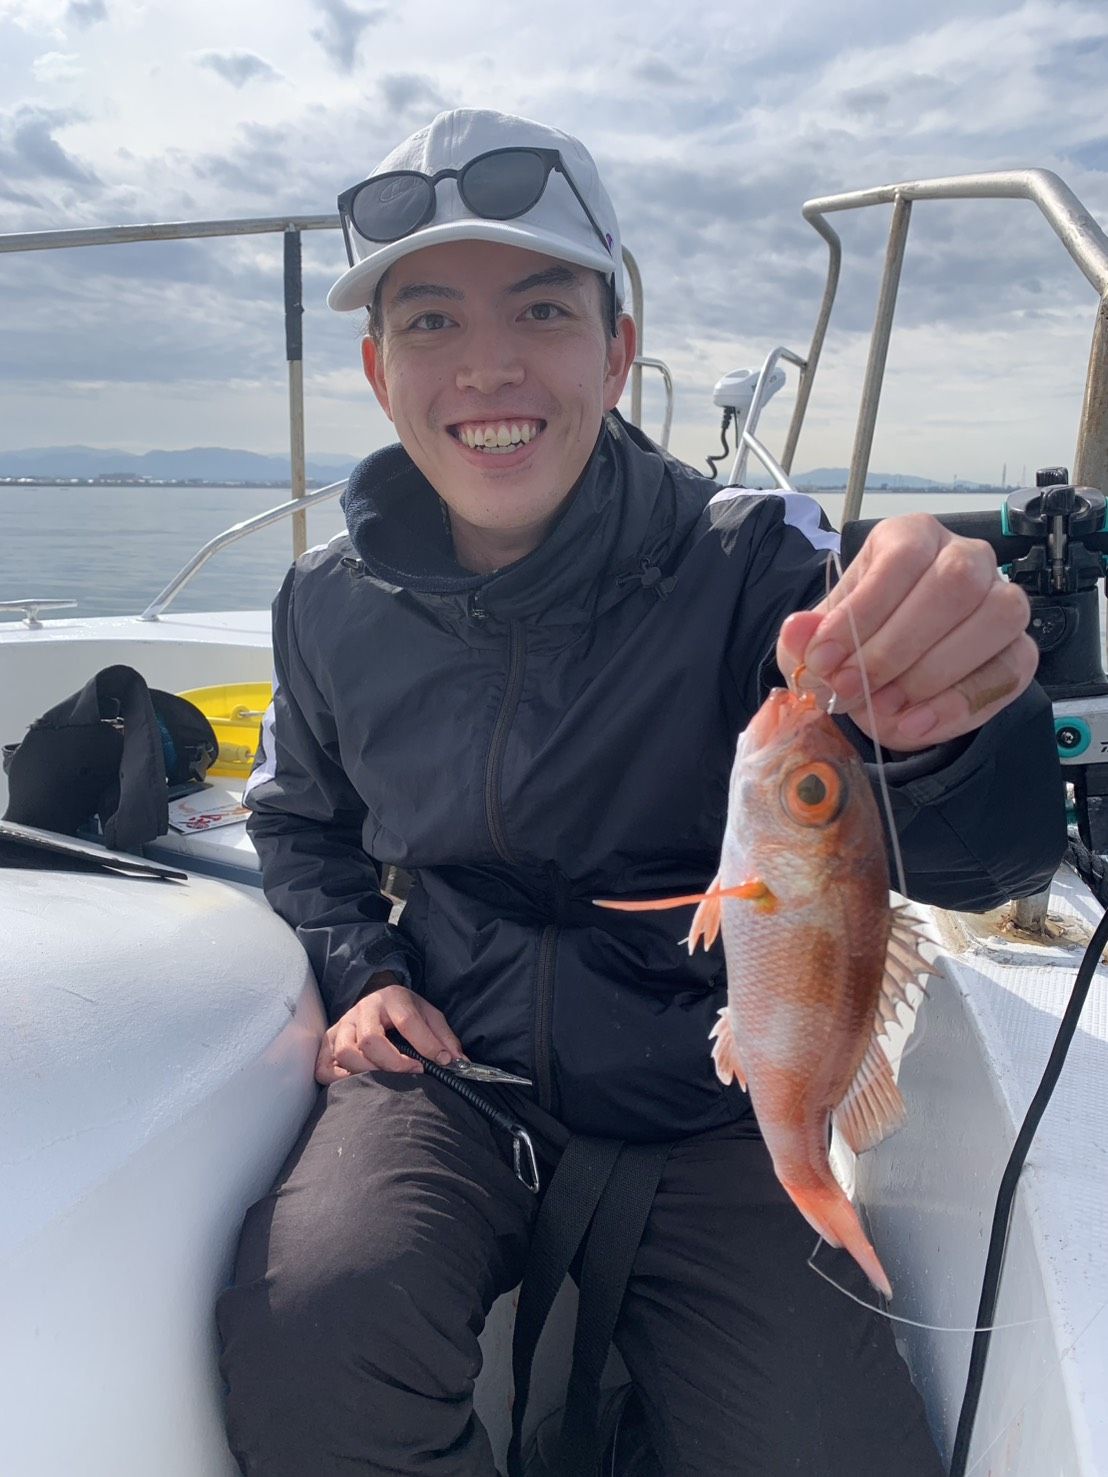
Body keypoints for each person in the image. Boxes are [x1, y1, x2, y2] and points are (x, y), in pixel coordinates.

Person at [216, 108, 1064, 1476]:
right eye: (429, 321)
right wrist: (360, 967)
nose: (487, 364)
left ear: (617, 350)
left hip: (717, 1091)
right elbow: (297, 822)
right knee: (315, 1325)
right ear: (378, 371)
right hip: (457, 1070)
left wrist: (958, 713)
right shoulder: (325, 604)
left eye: (542, 308)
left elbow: (976, 857)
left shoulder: (752, 564)